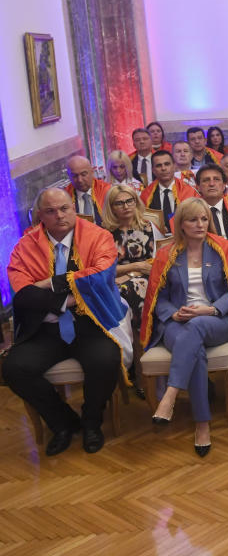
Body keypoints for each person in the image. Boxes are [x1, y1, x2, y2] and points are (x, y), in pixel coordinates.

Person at [4, 188, 130, 455]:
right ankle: (62, 422)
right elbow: (23, 294)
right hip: (46, 329)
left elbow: (101, 276)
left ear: (73, 208)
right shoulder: (25, 246)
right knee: (14, 368)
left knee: (105, 360)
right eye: (51, 211)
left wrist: (49, 284)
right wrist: (66, 299)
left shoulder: (98, 236)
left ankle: (92, 420)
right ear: (40, 216)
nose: (59, 215)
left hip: (91, 322)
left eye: (64, 208)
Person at [140, 198, 228, 456]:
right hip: (177, 323)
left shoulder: (222, 248)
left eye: (203, 219)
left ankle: (170, 395)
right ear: (181, 224)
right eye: (192, 220)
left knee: (197, 327)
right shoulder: (167, 254)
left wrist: (209, 309)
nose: (200, 224)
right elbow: (158, 297)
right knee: (194, 351)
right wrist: (173, 313)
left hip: (215, 319)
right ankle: (202, 424)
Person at [102, 184, 162, 345]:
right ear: (111, 207)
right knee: (114, 292)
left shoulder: (149, 228)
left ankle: (141, 342)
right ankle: (125, 346)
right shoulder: (104, 234)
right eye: (119, 203)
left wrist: (131, 274)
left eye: (130, 201)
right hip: (113, 281)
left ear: (136, 202)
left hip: (147, 279)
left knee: (125, 290)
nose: (126, 206)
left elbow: (157, 263)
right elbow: (102, 270)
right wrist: (134, 268)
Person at [140, 150, 200, 232]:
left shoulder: (190, 192)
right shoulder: (145, 195)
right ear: (153, 170)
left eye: (167, 164)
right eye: (158, 165)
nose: (163, 168)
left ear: (174, 166)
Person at [65, 155, 111, 225]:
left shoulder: (107, 191)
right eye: (75, 176)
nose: (80, 180)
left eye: (83, 174)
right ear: (68, 175)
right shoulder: (65, 196)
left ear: (92, 172)